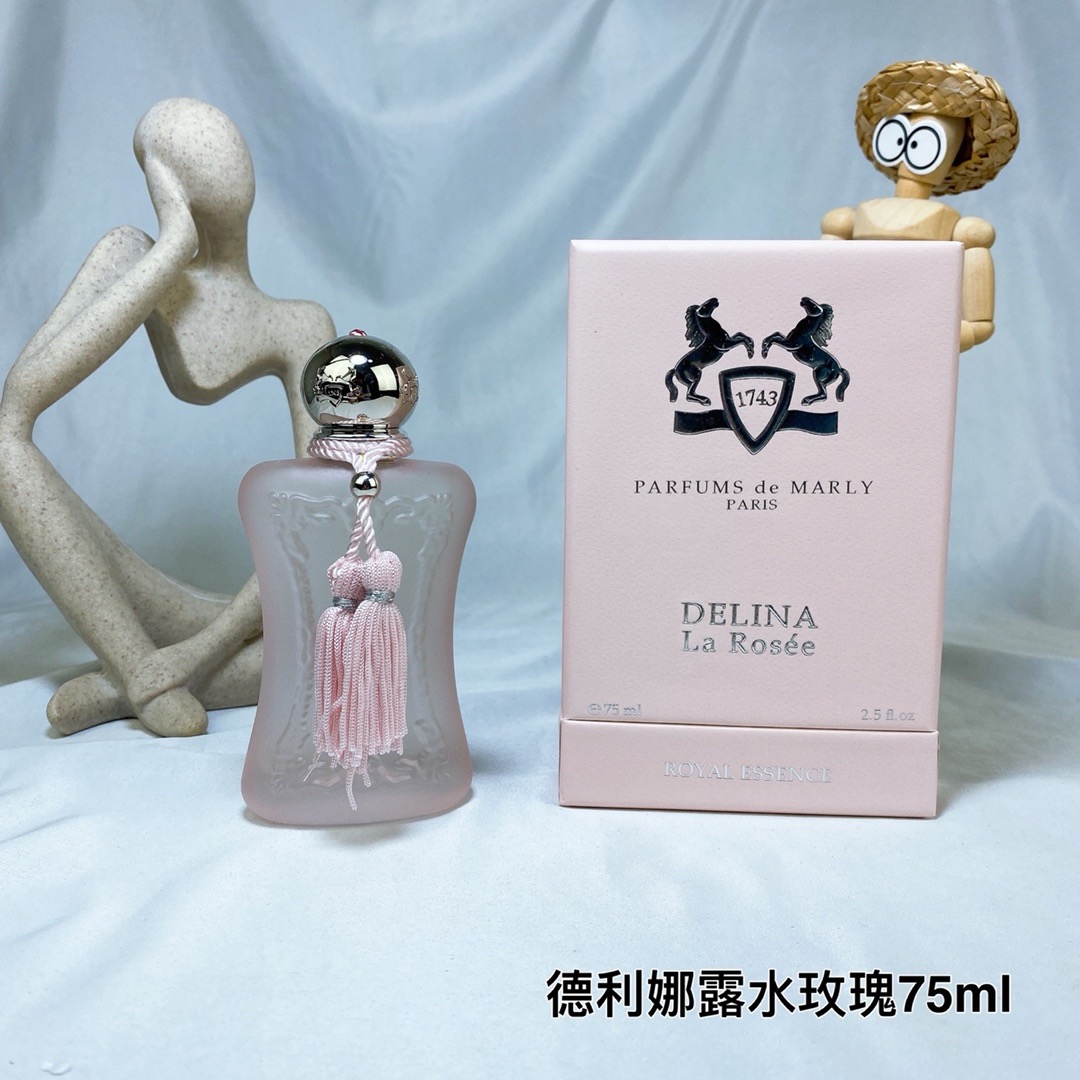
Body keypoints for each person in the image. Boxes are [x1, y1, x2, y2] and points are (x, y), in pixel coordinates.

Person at [0, 98, 335, 736]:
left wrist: (197, 652)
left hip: (255, 612)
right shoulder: (132, 257)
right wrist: (173, 248)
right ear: (162, 181)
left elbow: (313, 516)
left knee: (327, 650)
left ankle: (128, 685)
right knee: (2, 447)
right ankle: (137, 670)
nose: (229, 169)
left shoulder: (300, 324)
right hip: (161, 603)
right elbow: (19, 402)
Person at [821, 60, 1019, 352]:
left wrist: (939, 339)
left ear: (958, 153)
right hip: (856, 340)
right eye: (898, 134)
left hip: (918, 340)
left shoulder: (960, 229)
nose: (909, 147)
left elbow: (979, 324)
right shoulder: (849, 219)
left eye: (926, 138)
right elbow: (822, 287)